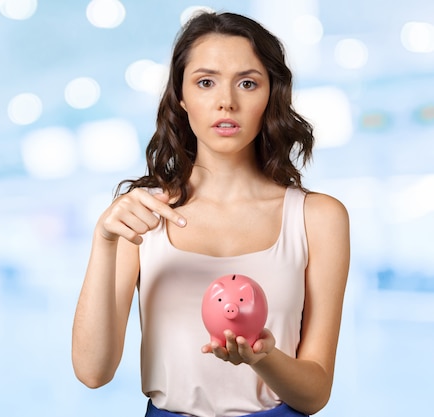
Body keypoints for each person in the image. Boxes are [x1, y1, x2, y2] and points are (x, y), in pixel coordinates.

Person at [72, 11, 350, 417]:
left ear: (271, 94)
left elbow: (315, 392)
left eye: (248, 83)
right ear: (181, 97)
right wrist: (104, 239)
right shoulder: (143, 216)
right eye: (206, 82)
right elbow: (92, 372)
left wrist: (262, 358)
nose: (227, 101)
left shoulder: (318, 217)